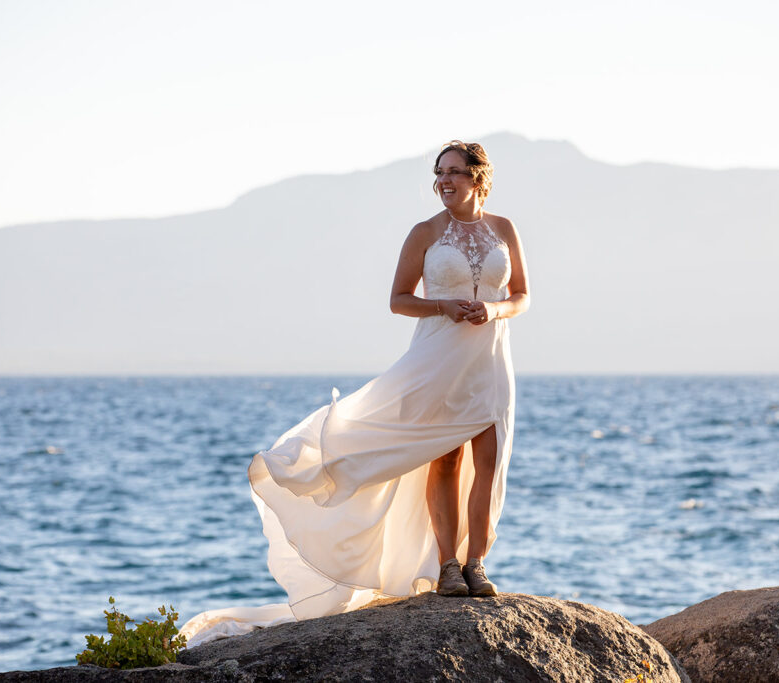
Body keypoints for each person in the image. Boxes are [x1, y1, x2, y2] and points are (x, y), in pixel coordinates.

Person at [179, 140, 530, 647]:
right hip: (437, 360)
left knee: (488, 462)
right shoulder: (425, 233)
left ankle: (478, 564)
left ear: (478, 177)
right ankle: (449, 567)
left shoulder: (504, 229)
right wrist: (445, 307)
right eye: (439, 173)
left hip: (491, 359)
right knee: (447, 462)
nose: (444, 181)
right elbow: (399, 299)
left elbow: (521, 295)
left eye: (454, 172)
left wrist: (493, 310)